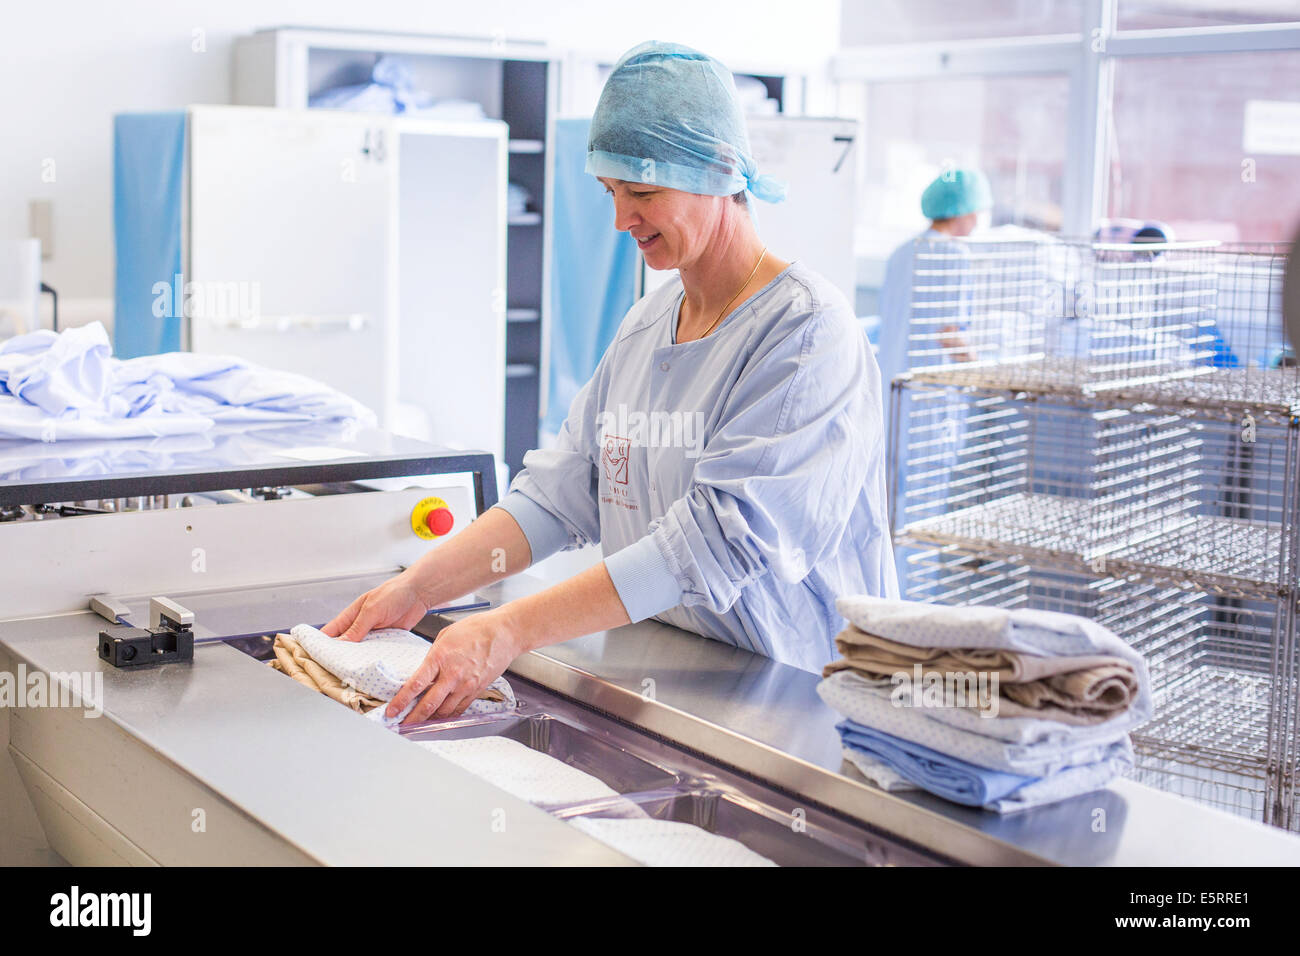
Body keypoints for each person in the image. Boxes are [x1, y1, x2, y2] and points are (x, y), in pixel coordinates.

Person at [323, 41, 898, 723]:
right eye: (611, 192)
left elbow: (714, 544)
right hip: (673, 682)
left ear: (718, 172)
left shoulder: (807, 335)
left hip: (792, 699)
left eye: (644, 192)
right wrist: (418, 589)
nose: (623, 219)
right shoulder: (648, 325)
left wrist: (508, 628)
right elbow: (557, 495)